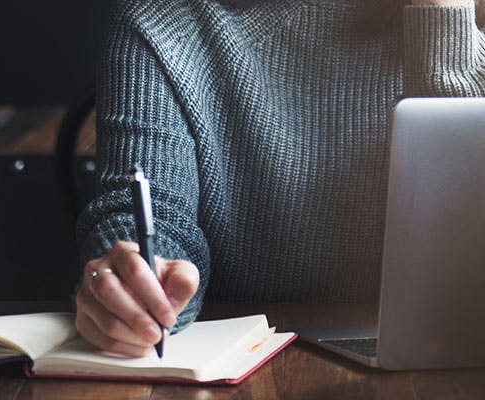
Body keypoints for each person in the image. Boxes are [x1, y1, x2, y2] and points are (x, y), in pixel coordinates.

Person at [74, 0, 485, 357]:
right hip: (232, 366)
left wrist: (447, 30)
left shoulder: (469, 19)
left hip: (432, 363)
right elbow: (151, 214)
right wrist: (143, 280)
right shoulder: (161, 24)